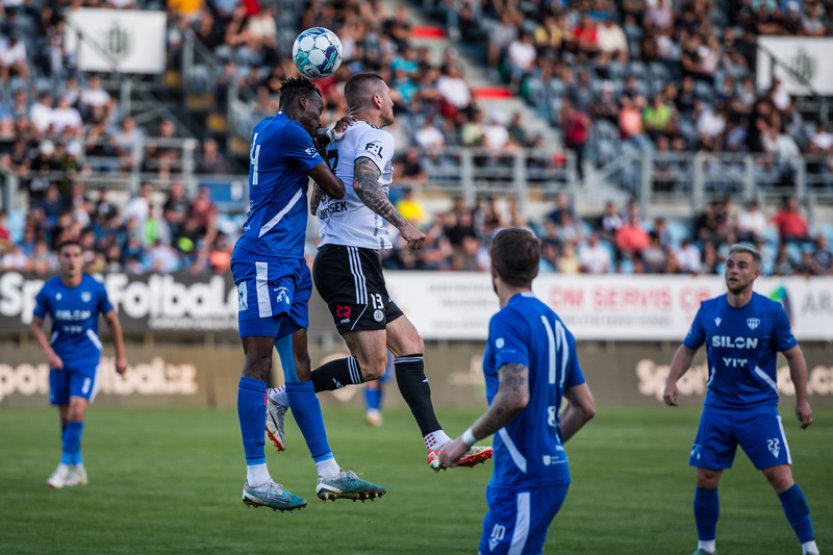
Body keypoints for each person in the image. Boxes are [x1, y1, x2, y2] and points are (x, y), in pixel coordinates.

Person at [267, 72, 492, 470]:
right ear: (374, 100)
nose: (392, 103)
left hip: (349, 256)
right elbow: (367, 184)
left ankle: (436, 441)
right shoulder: (375, 137)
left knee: (409, 343)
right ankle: (281, 397)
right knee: (373, 366)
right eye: (388, 96)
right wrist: (402, 224)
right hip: (349, 256)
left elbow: (318, 201)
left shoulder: (338, 138)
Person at [231, 77, 384, 512]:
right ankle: (256, 478)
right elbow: (334, 188)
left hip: (290, 263)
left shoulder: (269, 129)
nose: (322, 115)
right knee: (259, 363)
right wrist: (334, 143)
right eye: (318, 108)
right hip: (262, 257)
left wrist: (322, 135)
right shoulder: (290, 132)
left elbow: (310, 167)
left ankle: (329, 471)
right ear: (302, 103)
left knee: (299, 367)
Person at [438, 228, 596, 553]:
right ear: (535, 270)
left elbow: (514, 396)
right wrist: (546, 445)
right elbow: (584, 407)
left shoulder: (507, 320)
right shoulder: (557, 324)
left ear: (493, 269)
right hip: (548, 471)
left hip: (524, 479)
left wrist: (463, 442)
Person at [663, 244, 819, 555]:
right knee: (705, 477)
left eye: (742, 265)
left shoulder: (772, 312)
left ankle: (809, 547)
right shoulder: (709, 310)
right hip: (717, 408)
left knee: (780, 477)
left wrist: (802, 400)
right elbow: (688, 347)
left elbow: (795, 356)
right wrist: (671, 380)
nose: (733, 270)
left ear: (756, 273)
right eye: (730, 264)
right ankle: (706, 547)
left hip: (758, 410)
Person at [31, 240, 128, 489]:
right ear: (59, 258)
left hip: (86, 358)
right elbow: (35, 325)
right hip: (59, 360)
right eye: (67, 255)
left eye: (76, 255)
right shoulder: (48, 291)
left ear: (82, 259)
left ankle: (63, 467)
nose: (72, 259)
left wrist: (120, 356)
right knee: (65, 415)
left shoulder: (95, 288)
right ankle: (78, 468)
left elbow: (113, 322)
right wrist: (49, 353)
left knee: (76, 410)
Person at [364, 350, 394, 426]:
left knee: (382, 381)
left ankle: (376, 410)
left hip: (386, 349)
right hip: (371, 346)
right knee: (372, 379)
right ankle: (372, 411)